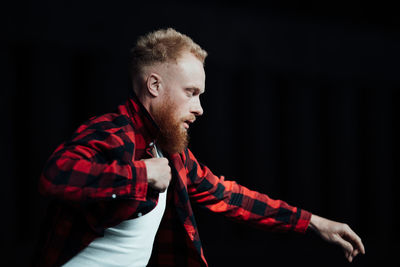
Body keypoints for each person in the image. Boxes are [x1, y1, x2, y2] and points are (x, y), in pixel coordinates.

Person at [33, 28, 365, 267]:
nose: (200, 107)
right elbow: (54, 176)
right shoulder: (113, 131)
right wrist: (140, 175)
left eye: (200, 95)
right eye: (191, 92)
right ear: (154, 85)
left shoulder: (171, 154)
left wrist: (313, 222)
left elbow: (228, 196)